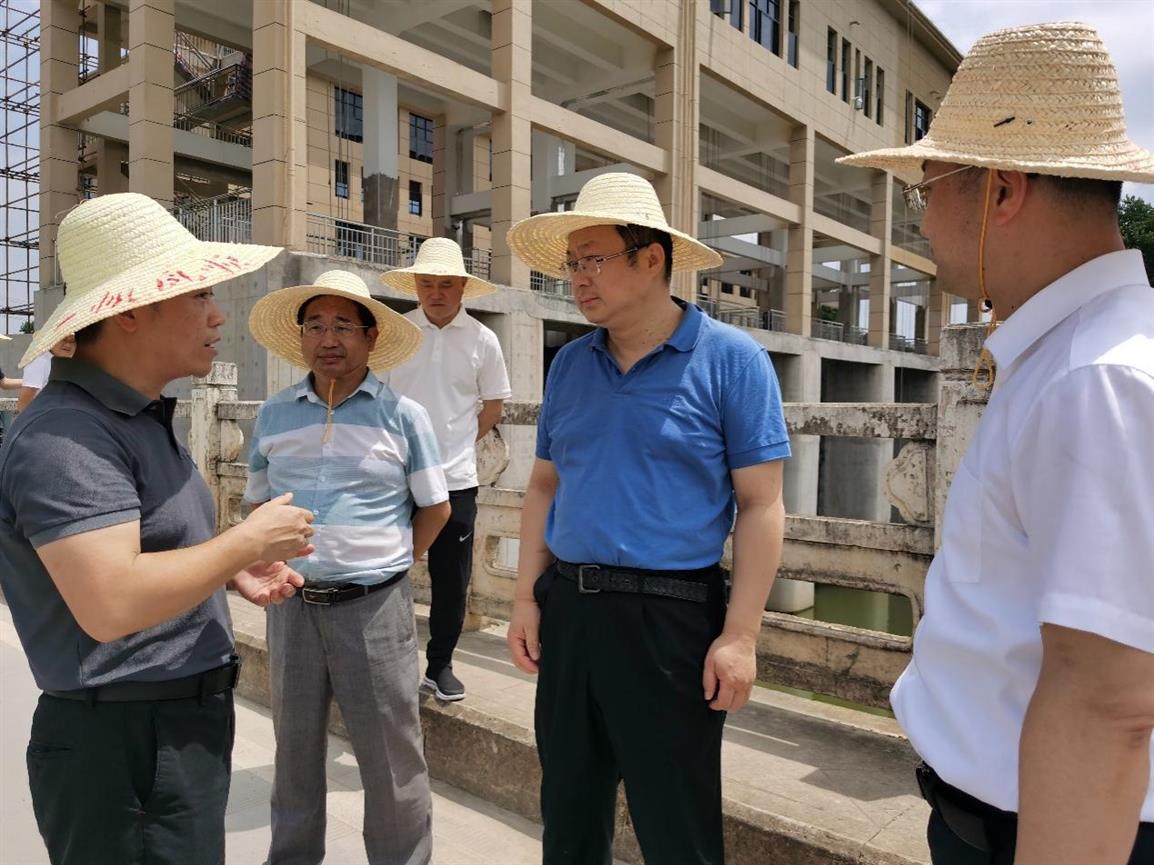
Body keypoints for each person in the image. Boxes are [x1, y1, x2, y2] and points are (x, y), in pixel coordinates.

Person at [838, 21, 1154, 865]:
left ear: (1001, 192)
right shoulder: (1075, 355)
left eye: (929, 190)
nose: (922, 220)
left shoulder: (1096, 376)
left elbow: (1107, 701)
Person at [0, 192, 314, 865]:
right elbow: (111, 600)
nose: (216, 314)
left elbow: (146, 547)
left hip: (165, 728)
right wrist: (246, 541)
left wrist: (227, 567)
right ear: (131, 310)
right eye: (197, 294)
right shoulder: (68, 434)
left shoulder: (131, 417)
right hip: (124, 740)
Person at [503, 172, 791, 864]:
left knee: (677, 828)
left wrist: (741, 636)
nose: (578, 277)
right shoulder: (570, 365)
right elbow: (543, 486)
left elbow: (761, 504)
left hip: (671, 617)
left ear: (651, 258)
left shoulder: (732, 361)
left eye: (594, 258)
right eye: (572, 262)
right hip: (571, 608)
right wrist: (524, 599)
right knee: (568, 815)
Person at [246, 269, 450, 865]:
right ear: (300, 337)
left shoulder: (403, 415)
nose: (327, 339)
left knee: (391, 759)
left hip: (375, 608)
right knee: (294, 752)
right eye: (314, 326)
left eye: (342, 326)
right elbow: (257, 507)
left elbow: (436, 508)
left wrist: (390, 561)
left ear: (370, 336)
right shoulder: (274, 414)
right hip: (292, 607)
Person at [381, 237, 511, 701]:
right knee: (385, 572)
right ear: (416, 286)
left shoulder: (483, 339)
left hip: (456, 480)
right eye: (427, 284)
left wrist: (455, 444)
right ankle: (385, 664)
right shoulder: (396, 334)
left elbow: (493, 406)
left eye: (446, 284)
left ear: (463, 287)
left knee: (452, 580)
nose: (436, 293)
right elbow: (379, 402)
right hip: (394, 477)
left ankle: (440, 666)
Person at [16, 333, 76, 412]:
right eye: (63, 339)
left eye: (72, 341)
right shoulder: (39, 361)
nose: (68, 345)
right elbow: (24, 401)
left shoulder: (60, 361)